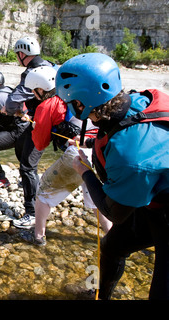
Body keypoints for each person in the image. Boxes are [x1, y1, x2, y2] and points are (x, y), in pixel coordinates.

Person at [56, 52, 169, 299]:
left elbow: (113, 212)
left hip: (162, 207)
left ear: (81, 104)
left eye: (69, 102)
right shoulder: (138, 100)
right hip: (151, 194)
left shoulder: (133, 161)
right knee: (111, 247)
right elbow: (124, 126)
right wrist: (90, 141)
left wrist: (84, 171)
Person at [14, 66, 112, 246]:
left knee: (43, 191)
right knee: (97, 200)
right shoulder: (77, 96)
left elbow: (40, 143)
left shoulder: (48, 104)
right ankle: (113, 236)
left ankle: (38, 237)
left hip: (77, 154)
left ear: (40, 89)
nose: (34, 95)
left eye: (34, 91)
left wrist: (37, 127)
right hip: (99, 150)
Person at [3, 36, 56, 227]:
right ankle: (33, 186)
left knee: (27, 166)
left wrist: (9, 111)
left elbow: (11, 101)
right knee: (22, 149)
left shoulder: (32, 73)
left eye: (17, 54)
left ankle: (31, 213)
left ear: (22, 53)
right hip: (50, 120)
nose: (17, 57)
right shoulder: (51, 66)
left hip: (41, 123)